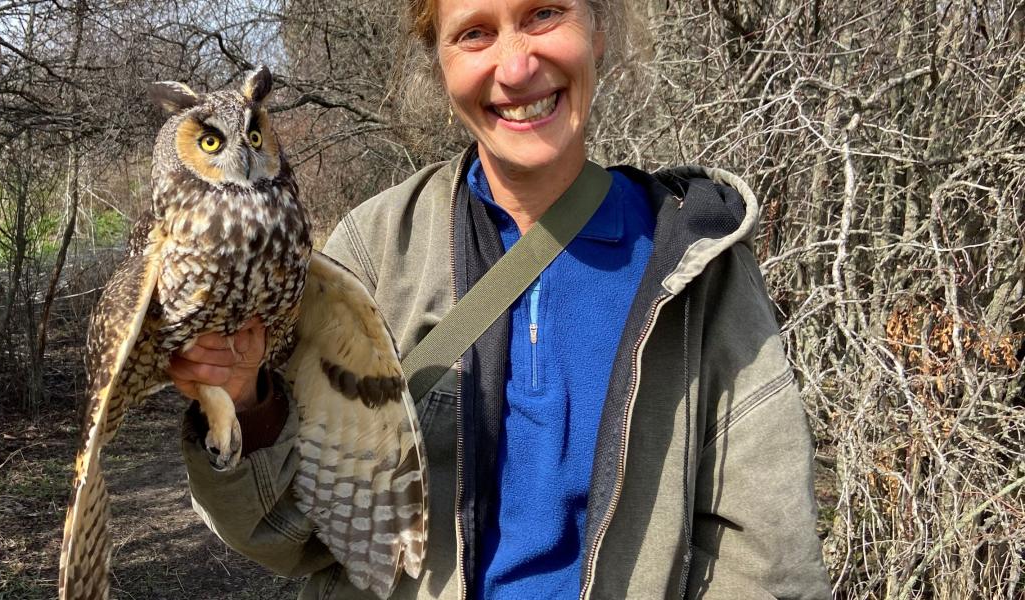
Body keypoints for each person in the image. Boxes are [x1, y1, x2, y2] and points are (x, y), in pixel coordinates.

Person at [169, 0, 832, 597]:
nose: (516, 68)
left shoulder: (699, 264)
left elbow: (766, 563)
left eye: (544, 14)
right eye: (475, 33)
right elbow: (289, 534)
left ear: (597, 29)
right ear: (440, 63)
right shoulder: (373, 254)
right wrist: (247, 405)